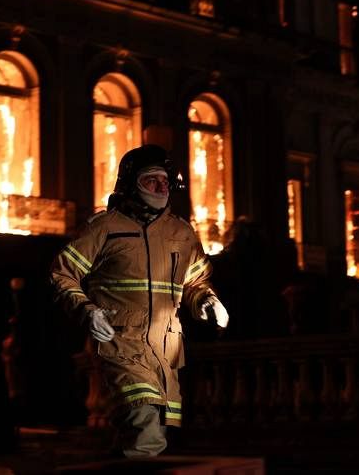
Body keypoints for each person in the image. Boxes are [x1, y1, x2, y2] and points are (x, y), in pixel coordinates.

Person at [50, 144, 229, 457]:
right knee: (143, 420)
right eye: (151, 180)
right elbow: (62, 274)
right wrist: (87, 312)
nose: (161, 187)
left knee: (151, 429)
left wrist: (205, 299)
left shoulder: (182, 232)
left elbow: (195, 280)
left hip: (166, 350)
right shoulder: (104, 228)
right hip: (121, 344)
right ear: (130, 184)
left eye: (165, 180)